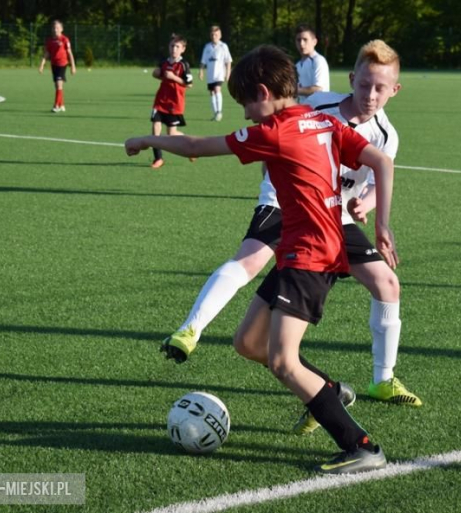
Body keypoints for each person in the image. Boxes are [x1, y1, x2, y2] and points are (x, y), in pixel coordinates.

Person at [126, 44, 396, 474]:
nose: (247, 114)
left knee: (282, 360)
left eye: (247, 103)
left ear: (265, 92)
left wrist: (146, 139)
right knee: (248, 343)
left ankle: (361, 445)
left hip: (309, 256)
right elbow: (381, 160)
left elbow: (198, 144)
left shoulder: (275, 132)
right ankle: (328, 389)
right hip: (305, 251)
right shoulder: (323, 120)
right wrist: (382, 224)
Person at [162, 40, 422, 418]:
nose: (370, 94)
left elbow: (375, 180)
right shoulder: (319, 106)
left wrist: (365, 206)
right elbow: (268, 132)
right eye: (364, 85)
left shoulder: (386, 135)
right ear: (352, 79)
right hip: (284, 204)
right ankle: (191, 329)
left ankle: (383, 379)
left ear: (395, 90)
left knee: (387, 284)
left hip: (333, 217)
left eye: (380, 88)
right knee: (249, 261)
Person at [149, 34, 194, 169]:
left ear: (183, 49)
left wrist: (174, 77)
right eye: (172, 46)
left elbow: (189, 84)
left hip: (174, 103)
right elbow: (159, 74)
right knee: (155, 128)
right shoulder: (164, 62)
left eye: (177, 46)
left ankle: (191, 146)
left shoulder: (183, 65)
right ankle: (158, 158)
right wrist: (156, 73)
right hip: (160, 100)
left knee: (171, 134)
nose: (174, 49)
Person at [38, 20, 76, 113]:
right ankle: (62, 104)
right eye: (54, 28)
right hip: (54, 65)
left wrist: (73, 66)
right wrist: (42, 65)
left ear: (61, 29)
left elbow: (69, 53)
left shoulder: (64, 39)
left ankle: (56, 106)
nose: (55, 29)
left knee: (59, 84)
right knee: (57, 85)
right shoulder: (50, 41)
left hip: (62, 64)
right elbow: (46, 53)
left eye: (57, 28)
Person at [199, 25, 232, 121]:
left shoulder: (223, 46)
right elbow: (203, 61)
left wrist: (228, 73)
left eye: (216, 34)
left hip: (219, 74)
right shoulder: (207, 47)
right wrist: (201, 71)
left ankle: (219, 112)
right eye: (212, 34)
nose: (214, 36)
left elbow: (228, 61)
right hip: (210, 74)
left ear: (220, 35)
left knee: (217, 89)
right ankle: (215, 113)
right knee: (212, 92)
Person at [294, 24, 330, 102]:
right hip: (305, 110)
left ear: (314, 42)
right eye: (298, 40)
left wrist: (293, 90)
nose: (301, 43)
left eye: (305, 39)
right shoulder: (297, 65)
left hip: (319, 110)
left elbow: (318, 89)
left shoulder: (318, 61)